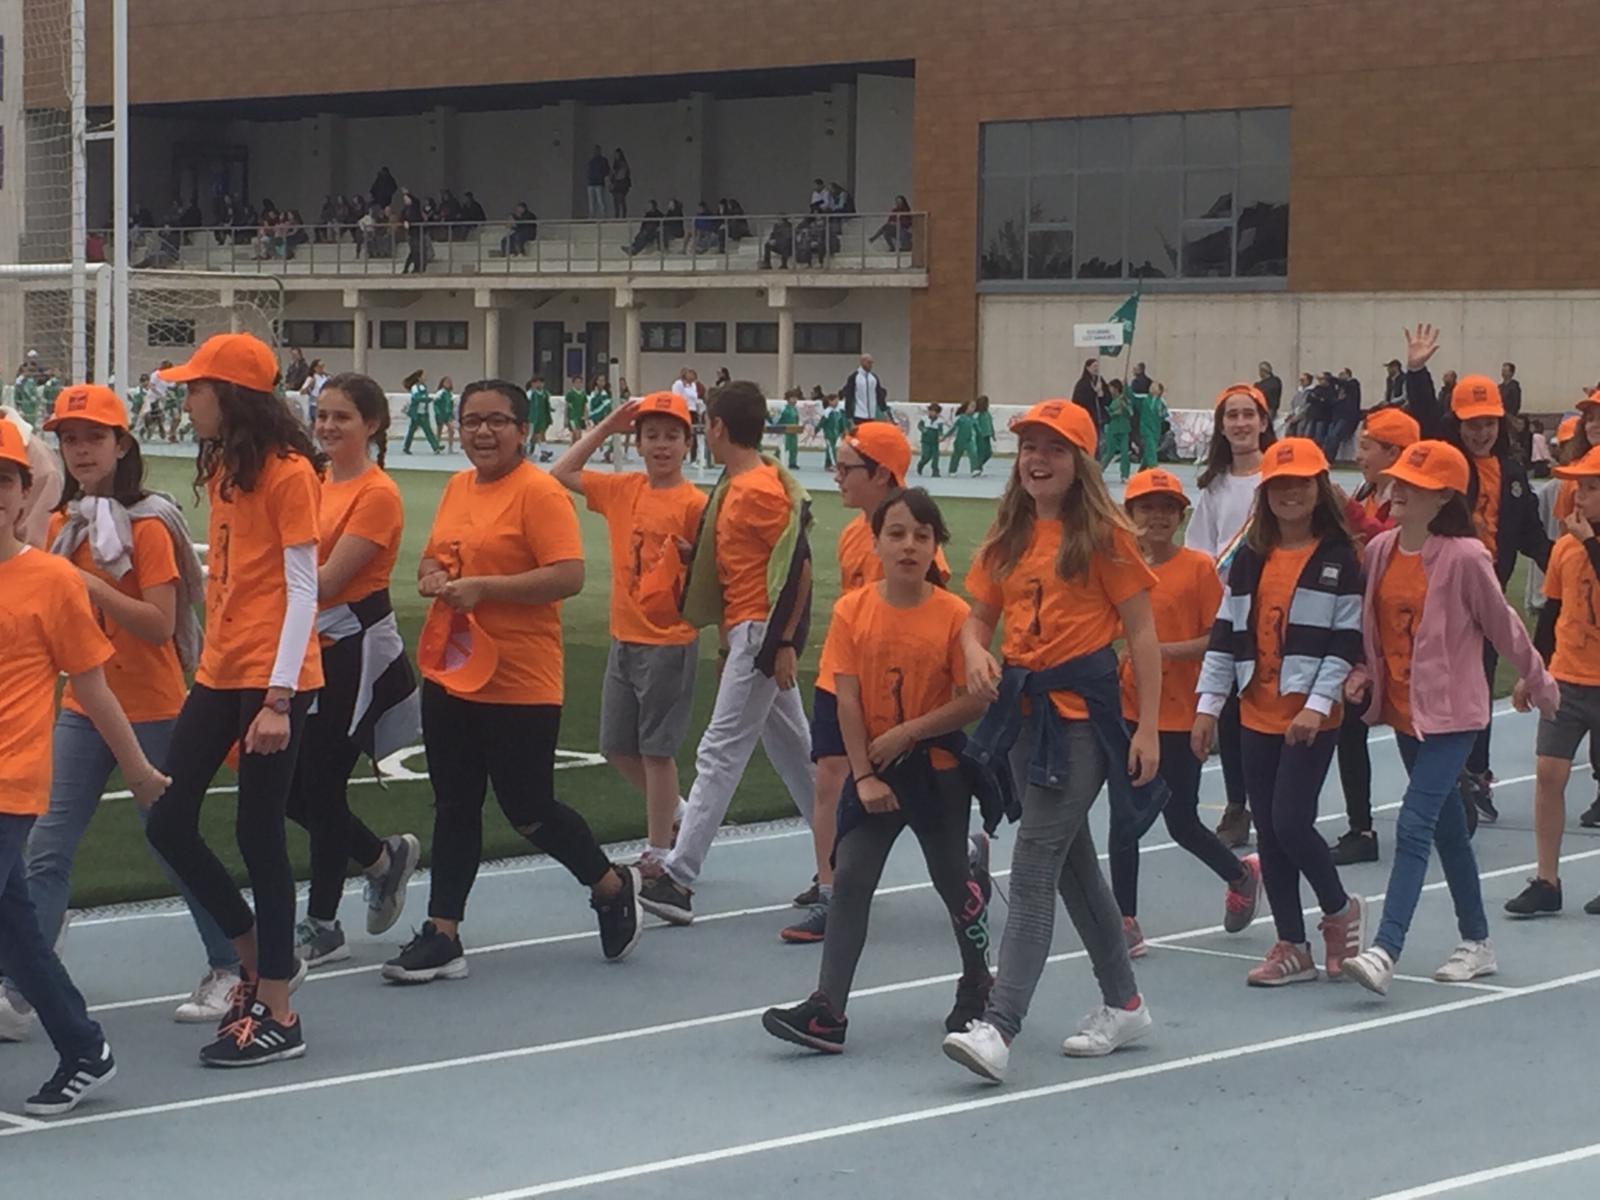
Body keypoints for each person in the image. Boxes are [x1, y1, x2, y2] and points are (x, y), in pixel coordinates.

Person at [0, 385, 239, 1045]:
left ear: (121, 444)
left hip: (152, 707)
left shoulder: (148, 523)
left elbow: (161, 624)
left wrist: (89, 585)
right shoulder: (62, 524)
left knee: (171, 841)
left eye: (94, 438)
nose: (81, 451)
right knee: (47, 849)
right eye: (70, 439)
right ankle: (19, 986)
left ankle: (232, 962)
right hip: (84, 705)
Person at [384, 380, 642, 984]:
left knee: (528, 810)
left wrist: (486, 589)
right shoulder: (457, 487)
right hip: (453, 670)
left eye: (497, 421)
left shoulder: (539, 492)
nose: (482, 432)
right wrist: (433, 576)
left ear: (523, 431)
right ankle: (443, 932)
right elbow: (433, 556)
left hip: (520, 679)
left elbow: (568, 575)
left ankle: (609, 885)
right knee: (454, 804)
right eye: (472, 420)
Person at [941, 399, 1160, 1084]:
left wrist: (1148, 725)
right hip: (1024, 716)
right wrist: (974, 651)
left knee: (1034, 861)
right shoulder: (1006, 538)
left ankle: (999, 1024)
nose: (1038, 459)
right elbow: (977, 619)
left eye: (1055, 449)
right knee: (1072, 866)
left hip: (1079, 720)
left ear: (1080, 462)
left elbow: (1142, 632)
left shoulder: (1105, 538)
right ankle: (1125, 1002)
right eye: (1031, 446)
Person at [143, 332, 327, 1067]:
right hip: (222, 671)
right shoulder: (226, 468)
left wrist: (279, 696)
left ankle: (278, 1008)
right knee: (168, 820)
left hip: (273, 677)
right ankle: (259, 959)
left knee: (258, 833)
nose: (187, 401)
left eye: (197, 388)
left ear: (232, 395)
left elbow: (303, 589)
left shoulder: (289, 473)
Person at [762, 489, 992, 1053]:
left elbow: (974, 699)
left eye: (921, 536)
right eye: (897, 534)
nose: (909, 546)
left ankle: (978, 981)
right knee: (851, 880)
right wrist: (864, 776)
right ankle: (828, 1010)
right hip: (876, 771)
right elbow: (846, 698)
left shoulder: (955, 616)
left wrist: (910, 732)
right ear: (877, 543)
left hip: (935, 772)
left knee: (951, 880)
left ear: (936, 547)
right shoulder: (853, 610)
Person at [1338, 441, 1561, 995]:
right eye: (1396, 481)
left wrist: (1538, 679)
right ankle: (1478, 941)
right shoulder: (1382, 550)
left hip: (1453, 716)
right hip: (1405, 713)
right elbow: (1372, 629)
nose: (1396, 491)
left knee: (1414, 822)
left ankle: (1386, 948)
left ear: (1443, 497)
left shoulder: (1464, 557)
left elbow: (1504, 625)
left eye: (1411, 485)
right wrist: (1363, 671)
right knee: (1447, 831)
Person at [0, 416, 170, 1113]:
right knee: (18, 934)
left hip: (11, 783)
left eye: (3, 481)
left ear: (24, 493)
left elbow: (92, 687)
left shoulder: (51, 581)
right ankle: (84, 1048)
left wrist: (139, 770)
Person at [636, 381, 816, 924]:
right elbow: (746, 562)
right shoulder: (742, 484)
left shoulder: (756, 489)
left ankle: (679, 875)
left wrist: (784, 642)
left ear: (717, 426)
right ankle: (845, 853)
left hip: (759, 633)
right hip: (748, 631)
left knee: (720, 751)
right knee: (798, 755)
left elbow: (798, 565)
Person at [1192, 437, 1366, 988]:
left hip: (1310, 719)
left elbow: (1345, 642)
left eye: (1301, 483)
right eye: (1279, 485)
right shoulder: (1250, 558)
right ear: (1265, 494)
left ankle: (1338, 909)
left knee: (1291, 820)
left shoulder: (1339, 560)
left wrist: (1316, 706)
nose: (1290, 493)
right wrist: (1207, 706)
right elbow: (1225, 635)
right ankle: (1292, 944)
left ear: (1320, 489)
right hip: (1255, 714)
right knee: (1268, 829)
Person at [284, 374, 421, 968]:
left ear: (372, 424)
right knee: (290, 787)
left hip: (355, 651)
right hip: (310, 644)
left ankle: (322, 923)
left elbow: (328, 580)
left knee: (320, 784)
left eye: (342, 416)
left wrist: (260, 581)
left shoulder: (377, 493)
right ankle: (380, 858)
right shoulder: (314, 481)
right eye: (322, 415)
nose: (328, 426)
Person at [551, 392, 707, 871]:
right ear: (637, 443)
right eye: (651, 436)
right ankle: (681, 814)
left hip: (669, 641)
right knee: (617, 747)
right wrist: (606, 427)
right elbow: (561, 473)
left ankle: (659, 850)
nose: (662, 445)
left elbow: (715, 573)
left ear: (687, 444)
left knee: (657, 752)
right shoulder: (624, 490)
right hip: (625, 637)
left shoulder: (695, 504)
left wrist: (692, 558)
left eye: (672, 436)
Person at [1109, 469, 1262, 956]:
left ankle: (1239, 874)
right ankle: (1125, 919)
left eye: (1166, 509)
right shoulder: (1117, 567)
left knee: (1180, 821)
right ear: (1129, 515)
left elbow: (1219, 639)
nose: (1156, 518)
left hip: (1179, 713)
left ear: (1180, 517)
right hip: (1128, 712)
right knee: (1123, 819)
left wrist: (1160, 653)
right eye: (1146, 508)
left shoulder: (1197, 569)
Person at [1440, 359, 1550, 824]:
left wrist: (1565, 562)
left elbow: (1529, 535)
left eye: (1488, 423)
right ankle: (1442, 773)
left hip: (1488, 598)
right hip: (1443, 596)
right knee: (1440, 684)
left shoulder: (1513, 473)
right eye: (1472, 424)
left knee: (1480, 686)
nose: (1481, 432)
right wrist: (1417, 374)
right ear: (1457, 424)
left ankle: (1476, 772)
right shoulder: (1448, 466)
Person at [1502, 444, 1600, 918]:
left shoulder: (1584, 544)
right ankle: (1547, 879)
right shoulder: (1565, 546)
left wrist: (1592, 543)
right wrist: (1534, 670)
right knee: (1549, 773)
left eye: (1592, 488)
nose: (1580, 496)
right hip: (1568, 676)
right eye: (1579, 487)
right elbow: (1552, 612)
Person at [1328, 407, 1423, 867]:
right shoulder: (1367, 493)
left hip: (1403, 634)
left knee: (1414, 727)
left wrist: (1349, 516)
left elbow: (1396, 542)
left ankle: (1453, 802)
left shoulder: (1412, 500)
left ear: (1393, 452)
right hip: (1365, 628)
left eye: (1366, 446)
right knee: (1349, 725)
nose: (1359, 454)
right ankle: (1360, 827)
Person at [1186, 383, 1275, 849]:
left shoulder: (1280, 475)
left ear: (1264, 421)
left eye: (1248, 414)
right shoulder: (1215, 485)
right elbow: (1200, 551)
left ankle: (1275, 804)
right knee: (1233, 714)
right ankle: (1238, 804)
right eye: (1232, 416)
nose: (1241, 423)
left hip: (1276, 610)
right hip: (1230, 613)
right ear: (1222, 427)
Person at [1323, 368, 1362, 461]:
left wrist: (1330, 378)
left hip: (1347, 416)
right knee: (1329, 437)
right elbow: (1332, 400)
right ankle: (1325, 457)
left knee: (1335, 436)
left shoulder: (1353, 383)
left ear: (1348, 374)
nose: (1340, 376)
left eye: (1342, 374)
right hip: (1337, 416)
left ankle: (1329, 458)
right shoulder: (1339, 388)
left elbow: (1345, 384)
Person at [1099, 379, 1132, 481]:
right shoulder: (1110, 399)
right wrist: (1114, 413)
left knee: (1125, 452)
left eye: (1111, 388)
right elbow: (1107, 414)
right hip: (1112, 429)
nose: (1109, 390)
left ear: (1116, 388)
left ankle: (1125, 475)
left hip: (1124, 429)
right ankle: (1099, 471)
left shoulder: (1124, 399)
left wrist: (1125, 407)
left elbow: (1131, 413)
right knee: (1109, 452)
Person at [841, 354, 888, 425]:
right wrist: (849, 416)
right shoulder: (854, 377)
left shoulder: (873, 378)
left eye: (871, 363)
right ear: (862, 362)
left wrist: (884, 410)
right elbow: (849, 396)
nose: (871, 365)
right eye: (869, 362)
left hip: (872, 415)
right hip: (858, 414)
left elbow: (879, 395)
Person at [401, 369, 440, 454]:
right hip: (416, 413)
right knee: (412, 431)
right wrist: (428, 399)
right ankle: (406, 447)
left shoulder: (423, 387)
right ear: (419, 378)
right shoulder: (415, 387)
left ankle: (436, 447)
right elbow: (416, 398)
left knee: (428, 430)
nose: (425, 377)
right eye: (423, 376)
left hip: (423, 413)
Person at [1072, 358, 1108, 432]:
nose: (1096, 368)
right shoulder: (1082, 383)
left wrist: (1102, 395)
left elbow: (1107, 398)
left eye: (1097, 366)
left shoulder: (1100, 380)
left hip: (1100, 418)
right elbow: (1080, 400)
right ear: (1087, 368)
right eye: (1094, 366)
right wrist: (1094, 392)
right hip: (1088, 417)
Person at [1134, 380, 1163, 470]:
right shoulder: (1144, 399)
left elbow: (1164, 414)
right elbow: (1133, 397)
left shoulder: (1161, 402)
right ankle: (1154, 468)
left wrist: (1161, 413)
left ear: (1159, 391)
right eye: (1151, 386)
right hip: (1146, 428)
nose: (1152, 387)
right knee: (1151, 448)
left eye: (1155, 386)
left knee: (1150, 450)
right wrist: (1126, 387)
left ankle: (1142, 470)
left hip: (1156, 430)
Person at [916, 402, 946, 477]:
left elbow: (940, 430)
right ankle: (921, 464)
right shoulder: (924, 418)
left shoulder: (939, 421)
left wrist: (940, 436)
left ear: (937, 413)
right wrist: (923, 429)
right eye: (930, 411)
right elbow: (919, 425)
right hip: (925, 441)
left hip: (935, 442)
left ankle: (935, 471)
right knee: (926, 456)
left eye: (934, 412)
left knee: (936, 457)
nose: (932, 413)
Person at [948, 401, 977, 476]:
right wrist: (944, 437)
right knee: (956, 455)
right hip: (959, 441)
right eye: (971, 407)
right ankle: (952, 470)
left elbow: (978, 429)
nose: (973, 409)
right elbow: (952, 429)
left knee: (973, 453)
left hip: (969, 440)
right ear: (966, 408)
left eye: (974, 407)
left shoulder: (973, 419)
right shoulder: (960, 418)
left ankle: (974, 470)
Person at [526, 375, 553, 456]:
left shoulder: (545, 393)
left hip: (543, 417)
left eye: (541, 382)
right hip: (532, 418)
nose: (539, 384)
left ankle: (543, 451)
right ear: (532, 384)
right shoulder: (530, 394)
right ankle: (541, 450)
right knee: (533, 435)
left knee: (540, 434)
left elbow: (546, 405)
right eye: (537, 382)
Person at [818, 393, 846, 469]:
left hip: (835, 433)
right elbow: (822, 422)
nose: (837, 402)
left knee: (830, 449)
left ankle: (828, 464)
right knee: (832, 449)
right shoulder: (827, 411)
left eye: (838, 401)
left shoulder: (837, 411)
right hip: (829, 434)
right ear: (830, 401)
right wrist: (816, 430)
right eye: (835, 401)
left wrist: (842, 431)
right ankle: (834, 464)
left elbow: (840, 422)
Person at [777, 388, 802, 470]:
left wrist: (797, 428)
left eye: (796, 398)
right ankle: (775, 459)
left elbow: (797, 419)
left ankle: (792, 463)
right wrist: (778, 428)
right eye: (793, 398)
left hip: (793, 431)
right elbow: (780, 420)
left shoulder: (795, 409)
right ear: (788, 399)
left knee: (794, 448)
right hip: (786, 431)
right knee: (784, 447)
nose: (795, 400)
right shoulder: (785, 409)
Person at [434, 376, 457, 455]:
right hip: (441, 414)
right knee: (439, 431)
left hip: (447, 415)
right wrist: (438, 412)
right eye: (446, 382)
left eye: (449, 382)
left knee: (451, 430)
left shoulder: (450, 394)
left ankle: (450, 448)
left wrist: (452, 414)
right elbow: (435, 403)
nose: (448, 384)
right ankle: (436, 447)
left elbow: (451, 405)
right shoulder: (440, 392)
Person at [973, 394, 995, 475]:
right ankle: (977, 467)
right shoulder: (978, 414)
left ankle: (978, 465)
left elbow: (990, 424)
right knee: (981, 453)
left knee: (988, 453)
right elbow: (975, 424)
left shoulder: (987, 413)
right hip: (980, 436)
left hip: (987, 435)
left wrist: (993, 434)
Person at [564, 374, 587, 442]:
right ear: (573, 383)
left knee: (577, 437)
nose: (578, 384)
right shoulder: (570, 393)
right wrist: (566, 419)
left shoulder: (583, 394)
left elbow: (584, 406)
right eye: (577, 382)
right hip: (572, 417)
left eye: (580, 382)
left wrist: (585, 416)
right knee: (576, 434)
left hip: (580, 417)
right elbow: (567, 406)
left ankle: (574, 447)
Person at [610, 149, 632, 218]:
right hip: (616, 185)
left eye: (617, 154)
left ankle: (622, 216)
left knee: (621, 200)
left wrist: (615, 176)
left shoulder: (623, 164)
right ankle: (617, 216)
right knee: (616, 201)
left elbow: (622, 175)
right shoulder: (615, 164)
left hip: (621, 184)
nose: (616, 156)